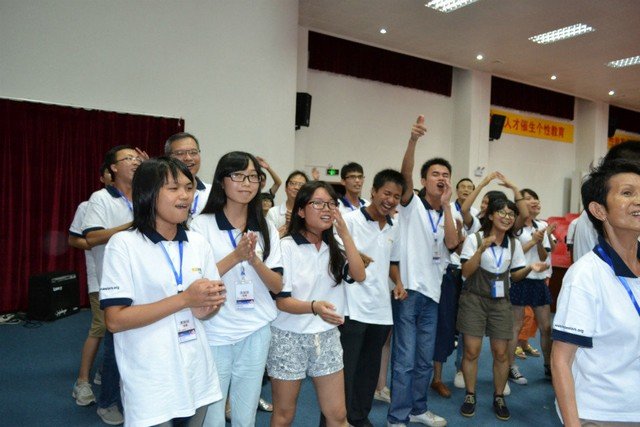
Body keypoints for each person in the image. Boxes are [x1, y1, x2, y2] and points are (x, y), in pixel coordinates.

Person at [99, 157, 226, 426]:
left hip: (196, 370)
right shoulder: (123, 245)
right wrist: (185, 299)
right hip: (151, 378)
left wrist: (206, 306)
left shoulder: (198, 243)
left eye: (188, 188)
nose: (185, 196)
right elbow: (115, 320)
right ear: (148, 193)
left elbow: (205, 309)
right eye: (173, 188)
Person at [190, 151, 283, 427]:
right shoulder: (201, 225)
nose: (247, 183)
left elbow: (277, 285)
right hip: (215, 328)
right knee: (213, 416)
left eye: (253, 177)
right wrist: (236, 256)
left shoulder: (266, 226)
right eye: (238, 176)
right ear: (222, 181)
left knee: (246, 413)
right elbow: (197, 284)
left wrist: (254, 260)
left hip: (256, 328)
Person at [267, 181, 366, 427]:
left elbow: (359, 274)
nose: (327, 209)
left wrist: (345, 234)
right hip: (289, 337)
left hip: (327, 336)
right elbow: (282, 302)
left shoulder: (336, 246)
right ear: (301, 211)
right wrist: (314, 307)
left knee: (338, 415)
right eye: (318, 203)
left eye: (331, 204)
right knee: (284, 415)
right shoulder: (286, 246)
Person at [551, 158, 640, 426]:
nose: (639, 200)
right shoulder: (585, 276)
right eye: (628, 193)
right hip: (601, 414)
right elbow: (561, 360)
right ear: (599, 210)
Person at [387, 115, 458, 427]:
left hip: (434, 294)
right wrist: (413, 140)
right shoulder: (411, 204)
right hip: (408, 291)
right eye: (435, 174)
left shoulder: (449, 212)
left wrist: (448, 206)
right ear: (424, 180)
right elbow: (404, 174)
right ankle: (397, 416)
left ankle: (418, 409)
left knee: (424, 359)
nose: (441, 178)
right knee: (404, 360)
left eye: (445, 175)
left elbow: (452, 243)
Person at [457, 198, 547, 421]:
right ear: (490, 215)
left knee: (501, 353)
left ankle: (498, 396)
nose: (507, 218)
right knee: (471, 351)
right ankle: (470, 394)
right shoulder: (474, 239)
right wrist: (481, 250)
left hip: (500, 302)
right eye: (502, 213)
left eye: (511, 214)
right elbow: (466, 272)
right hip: (474, 300)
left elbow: (515, 276)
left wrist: (530, 268)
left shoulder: (513, 244)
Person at [339, 169, 407, 427]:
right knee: (345, 371)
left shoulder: (394, 226)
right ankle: (337, 420)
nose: (390, 200)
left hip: (380, 310)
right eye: (386, 193)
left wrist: (398, 282)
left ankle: (359, 417)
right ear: (374, 192)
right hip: (352, 308)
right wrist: (355, 258)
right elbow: (337, 257)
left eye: (396, 197)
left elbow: (392, 261)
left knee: (369, 371)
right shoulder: (349, 221)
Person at [82, 145, 142, 425]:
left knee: (140, 344)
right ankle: (107, 402)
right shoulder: (101, 198)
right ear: (113, 168)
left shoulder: (145, 195)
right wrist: (131, 225)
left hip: (143, 279)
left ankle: (132, 396)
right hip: (115, 282)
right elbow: (92, 237)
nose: (135, 162)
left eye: (137, 158)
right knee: (115, 344)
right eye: (128, 158)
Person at [69, 164, 112, 407]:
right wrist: (99, 242)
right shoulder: (88, 205)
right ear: (102, 177)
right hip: (100, 277)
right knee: (100, 326)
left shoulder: (134, 203)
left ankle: (105, 369)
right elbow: (74, 239)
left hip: (128, 279)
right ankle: (82, 381)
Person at [507, 188, 554, 384]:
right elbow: (514, 253)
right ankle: (510, 367)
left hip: (538, 280)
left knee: (546, 327)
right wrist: (533, 241)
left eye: (535, 198)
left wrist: (540, 241)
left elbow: (543, 256)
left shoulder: (542, 225)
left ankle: (549, 366)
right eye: (528, 199)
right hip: (519, 278)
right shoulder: (514, 226)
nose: (533, 201)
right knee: (516, 326)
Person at [165, 132, 211, 220]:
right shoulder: (161, 192)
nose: (188, 158)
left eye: (193, 152)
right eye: (180, 153)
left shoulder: (212, 193)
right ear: (167, 158)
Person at [267, 171, 309, 237]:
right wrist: (285, 227)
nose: (296, 187)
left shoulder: (310, 213)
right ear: (285, 188)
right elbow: (267, 239)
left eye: (301, 185)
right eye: (292, 183)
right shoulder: (273, 212)